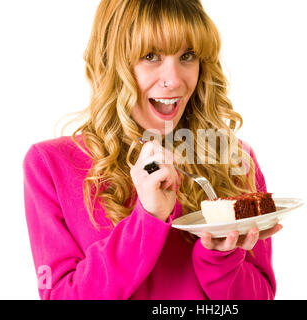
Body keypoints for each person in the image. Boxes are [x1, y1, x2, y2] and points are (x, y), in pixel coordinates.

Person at [23, 0, 282, 300]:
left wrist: (222, 258)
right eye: (150, 56)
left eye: (187, 55)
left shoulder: (234, 159)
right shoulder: (50, 166)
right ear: (111, 63)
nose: (174, 80)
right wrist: (147, 218)